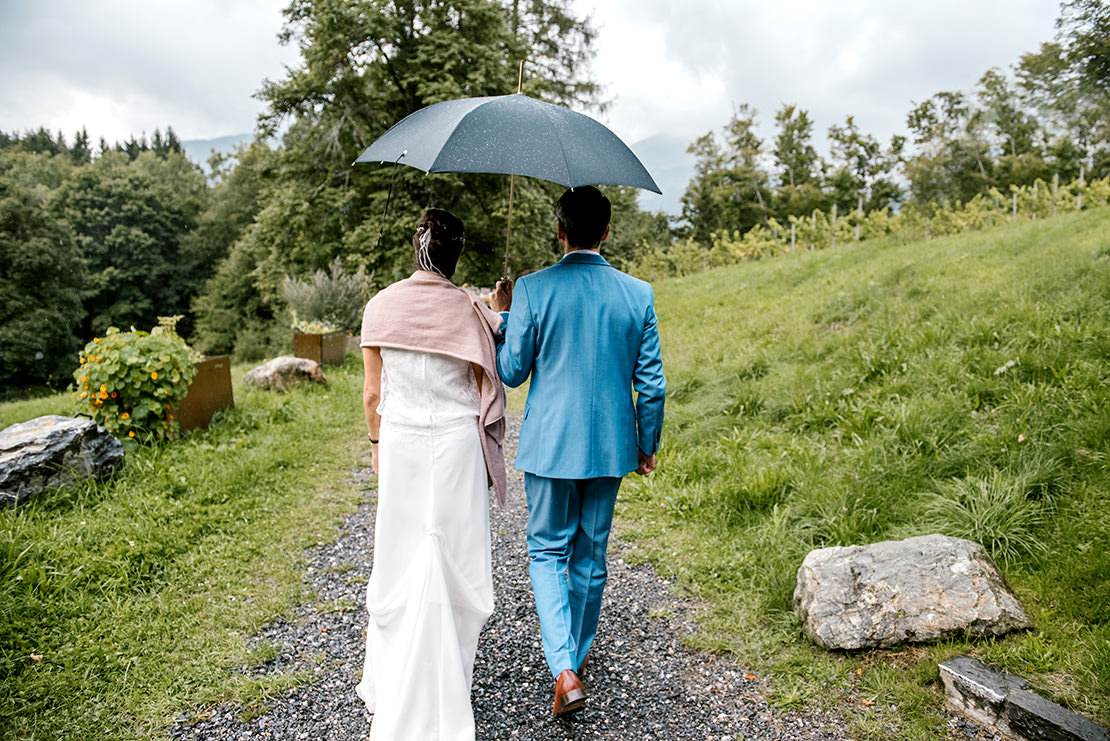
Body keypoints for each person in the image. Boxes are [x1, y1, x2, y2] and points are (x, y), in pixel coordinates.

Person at [491, 186, 666, 717]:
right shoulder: (638, 293)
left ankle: (563, 667)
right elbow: (652, 385)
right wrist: (646, 443)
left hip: (548, 446)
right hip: (612, 446)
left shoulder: (532, 288)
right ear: (607, 232)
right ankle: (578, 658)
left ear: (560, 231)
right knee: (591, 555)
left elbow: (512, 371)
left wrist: (504, 317)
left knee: (547, 551)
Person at [356, 209, 506, 741]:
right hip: (457, 445)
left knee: (399, 555)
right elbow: (490, 374)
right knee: (454, 554)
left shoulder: (379, 305)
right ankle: (447, 679)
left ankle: (395, 677)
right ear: (457, 254)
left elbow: (374, 393)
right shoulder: (472, 310)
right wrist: (498, 310)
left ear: (414, 247)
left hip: (401, 442)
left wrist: (376, 443)